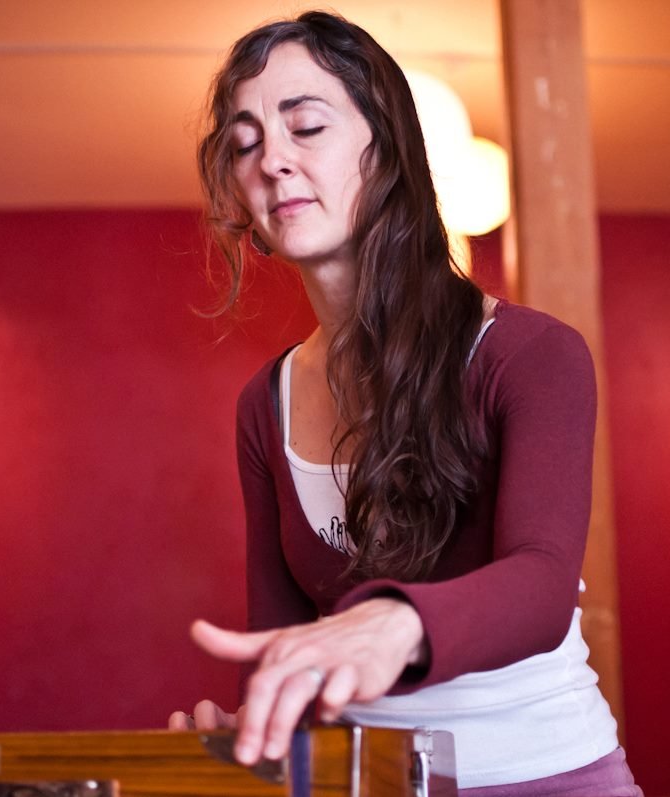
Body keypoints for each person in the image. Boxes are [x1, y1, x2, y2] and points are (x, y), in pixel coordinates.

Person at [168, 11, 641, 796]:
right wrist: (257, 736)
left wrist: (398, 619)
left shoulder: (529, 354)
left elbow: (543, 585)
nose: (273, 160)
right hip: (362, 782)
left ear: (385, 146)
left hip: (546, 775)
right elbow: (285, 644)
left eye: (306, 126)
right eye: (246, 142)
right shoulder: (265, 403)